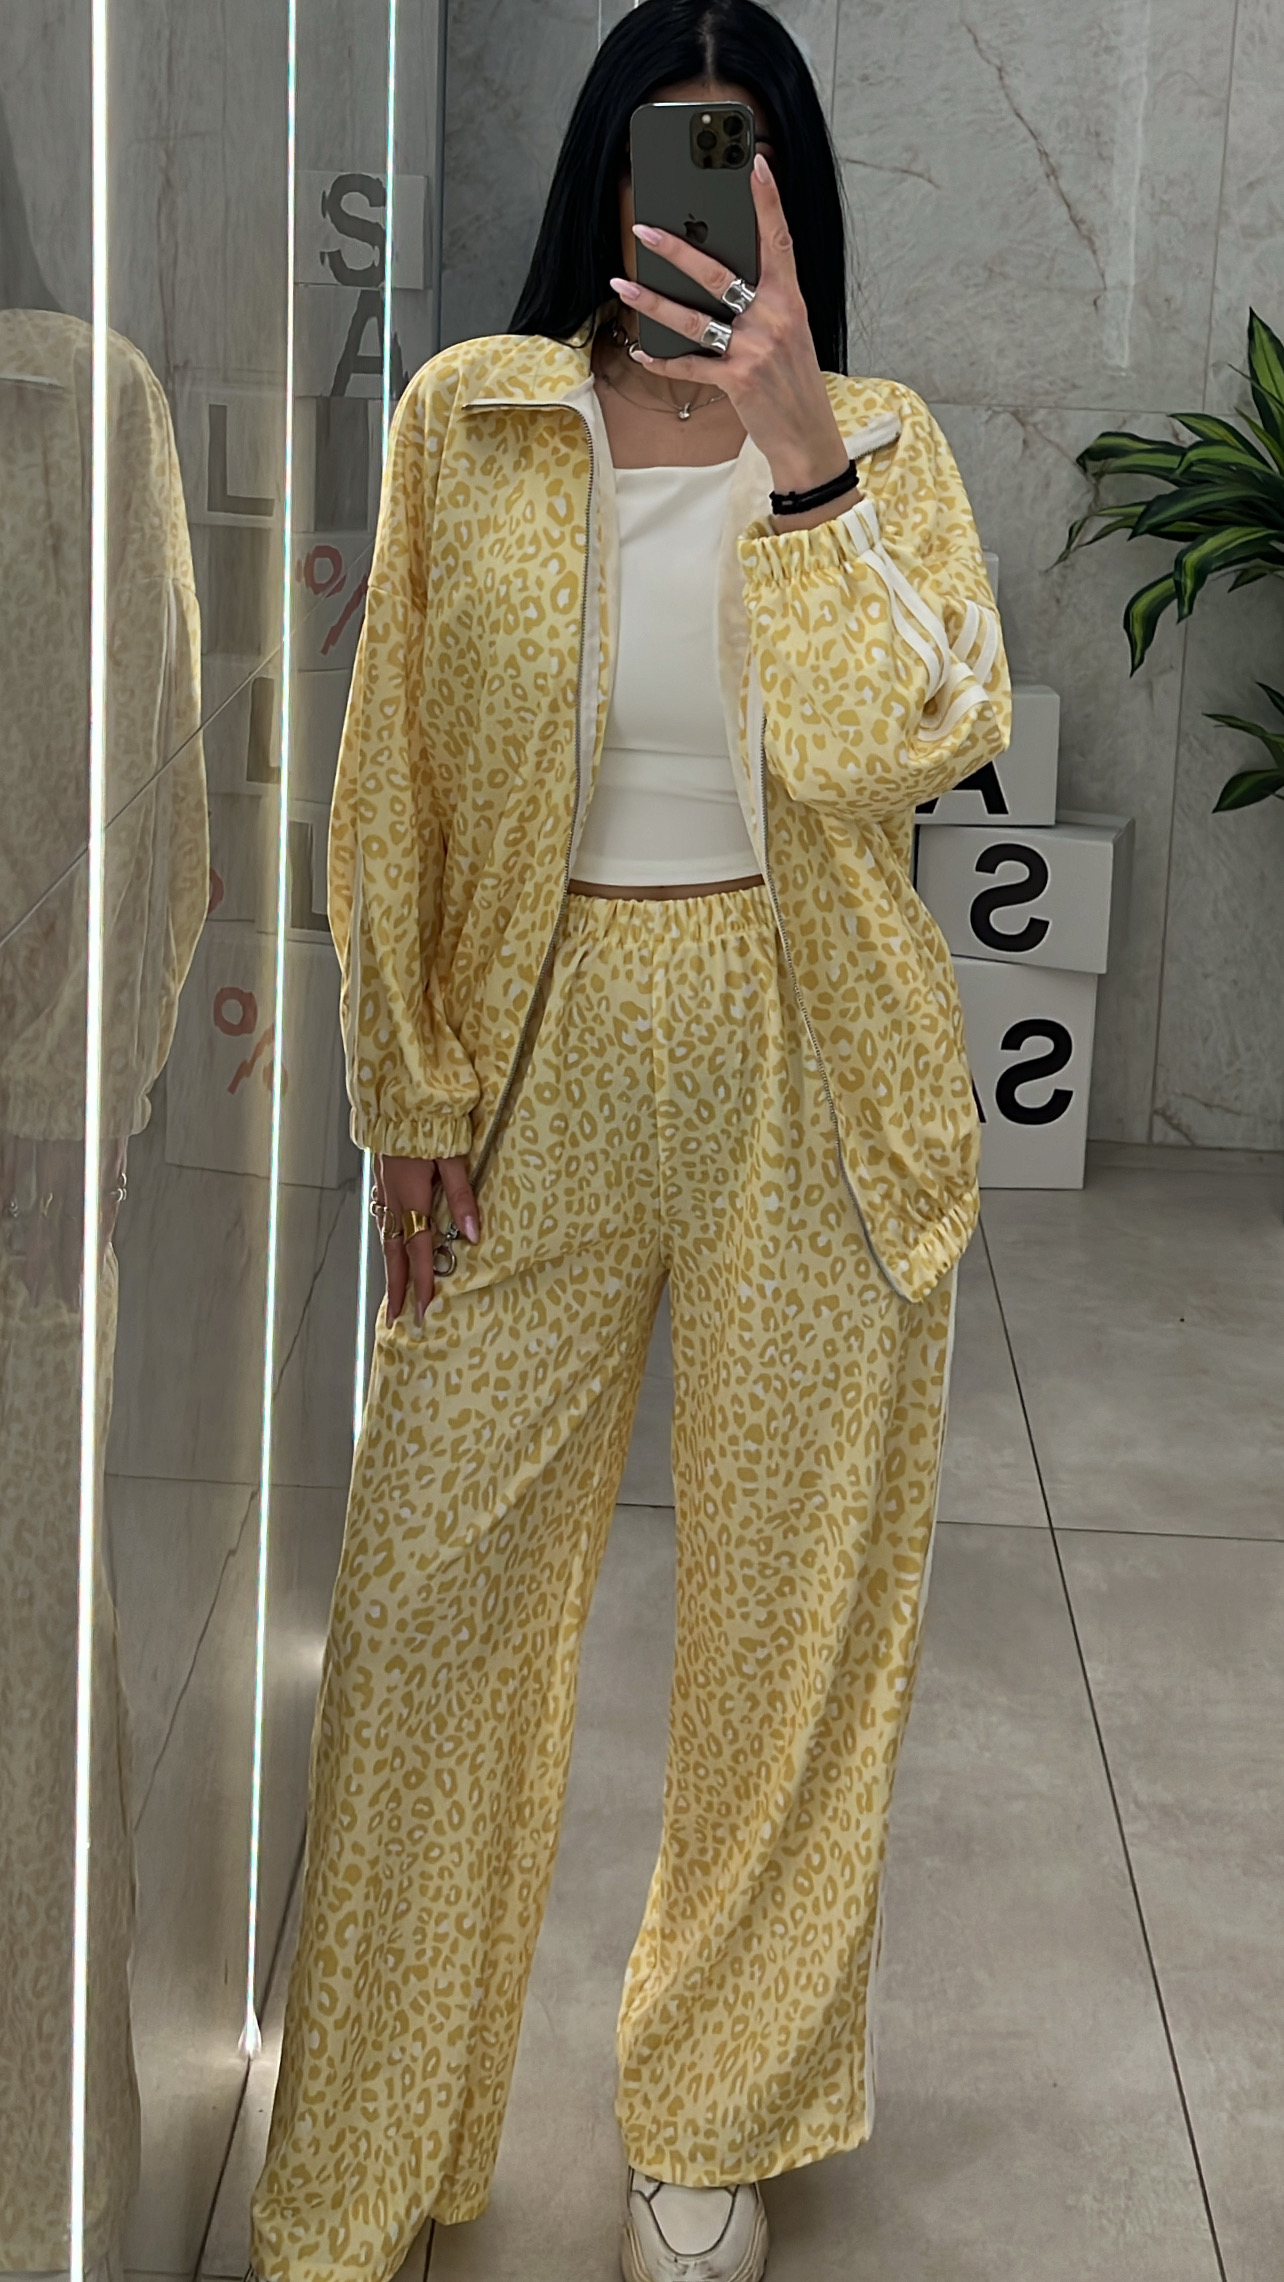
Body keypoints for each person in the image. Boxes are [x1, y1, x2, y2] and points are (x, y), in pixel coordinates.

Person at [250, 4, 1009, 2279]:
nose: (700, 201)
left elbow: (914, 740)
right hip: (542, 1042)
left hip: (810, 1056)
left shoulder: (880, 444)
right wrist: (408, 1084)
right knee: (428, 1604)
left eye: (740, 157)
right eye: (666, 152)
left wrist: (800, 452)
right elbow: (394, 770)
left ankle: (710, 2113)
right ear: (602, 174)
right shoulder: (474, 422)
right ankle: (366, 2139)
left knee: (793, 1623)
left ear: (791, 195)